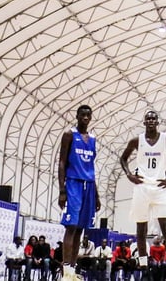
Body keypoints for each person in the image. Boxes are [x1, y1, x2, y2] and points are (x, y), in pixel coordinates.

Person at [118, 110, 166, 271]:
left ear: (157, 122)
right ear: (144, 122)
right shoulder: (137, 141)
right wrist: (129, 174)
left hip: (159, 187)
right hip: (141, 187)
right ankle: (143, 267)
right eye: (148, 118)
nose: (150, 121)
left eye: (153, 118)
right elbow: (123, 158)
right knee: (141, 229)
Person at [58, 104, 99, 281]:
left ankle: (72, 272)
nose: (85, 117)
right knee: (71, 227)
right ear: (77, 116)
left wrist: (96, 195)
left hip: (88, 185)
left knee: (81, 230)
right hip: (73, 183)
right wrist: (62, 190)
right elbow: (61, 163)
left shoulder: (93, 139)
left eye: (88, 115)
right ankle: (66, 271)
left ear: (91, 118)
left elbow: (91, 167)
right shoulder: (69, 135)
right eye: (82, 114)